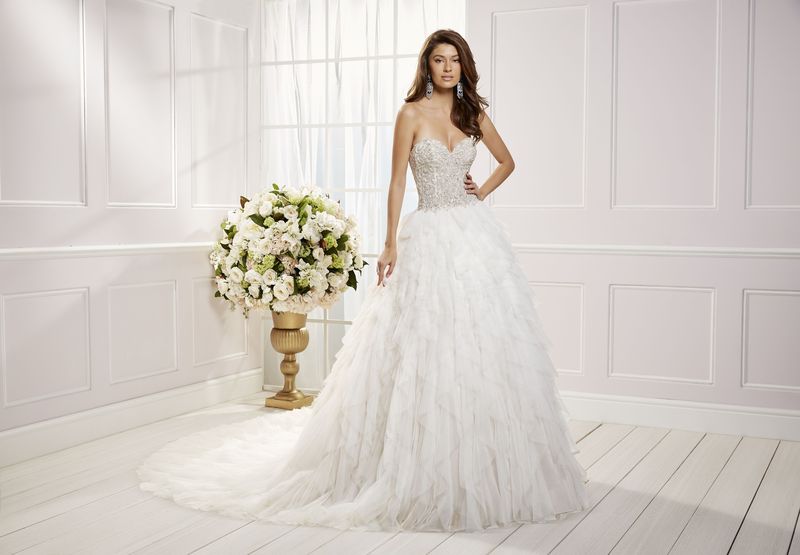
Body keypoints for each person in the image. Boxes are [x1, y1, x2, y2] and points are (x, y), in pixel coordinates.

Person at [137, 28, 591, 533]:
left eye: (455, 61)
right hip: (428, 236)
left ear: (464, 67)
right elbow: (396, 181)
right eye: (439, 60)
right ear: (427, 66)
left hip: (474, 237)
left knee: (483, 348)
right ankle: (408, 461)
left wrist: (479, 190)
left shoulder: (473, 115)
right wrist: (391, 241)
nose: (447, 68)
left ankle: (483, 461)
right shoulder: (410, 114)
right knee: (421, 343)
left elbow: (509, 161)